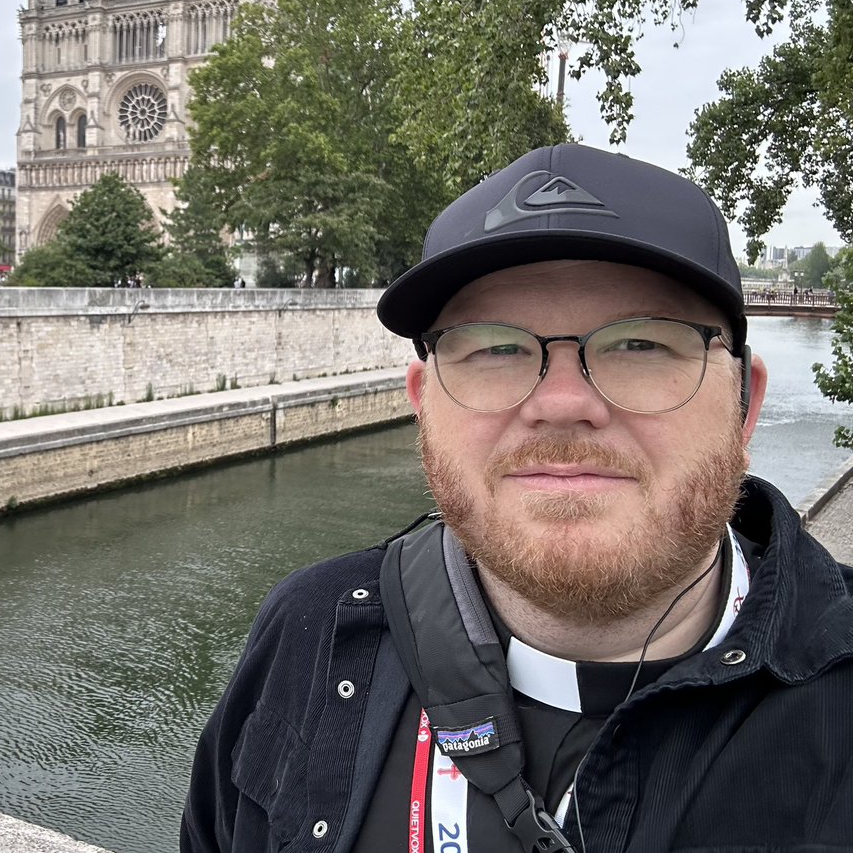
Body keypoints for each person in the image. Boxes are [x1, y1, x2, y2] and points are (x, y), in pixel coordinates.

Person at [181, 143, 853, 853]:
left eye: (641, 344)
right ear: (423, 407)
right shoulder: (308, 631)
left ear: (744, 407)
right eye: (495, 349)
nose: (562, 402)